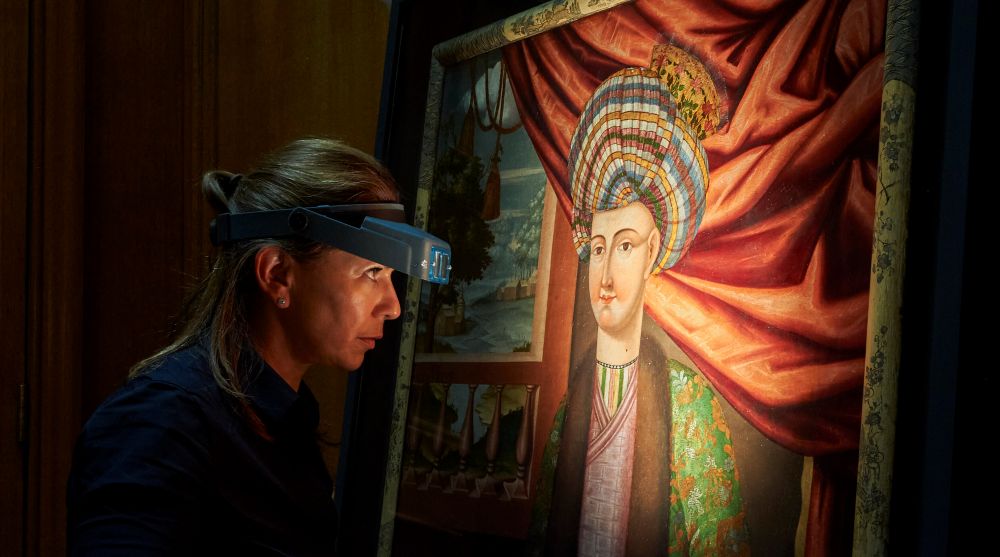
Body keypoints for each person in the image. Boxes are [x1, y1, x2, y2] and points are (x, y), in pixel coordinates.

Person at [67, 138, 450, 555]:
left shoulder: (285, 422)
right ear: (277, 274)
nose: (392, 306)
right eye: (372, 272)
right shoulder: (156, 426)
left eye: (391, 277)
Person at [531, 66, 749, 556]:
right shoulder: (570, 409)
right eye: (600, 247)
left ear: (652, 253)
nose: (606, 276)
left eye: (626, 247)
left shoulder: (691, 406)